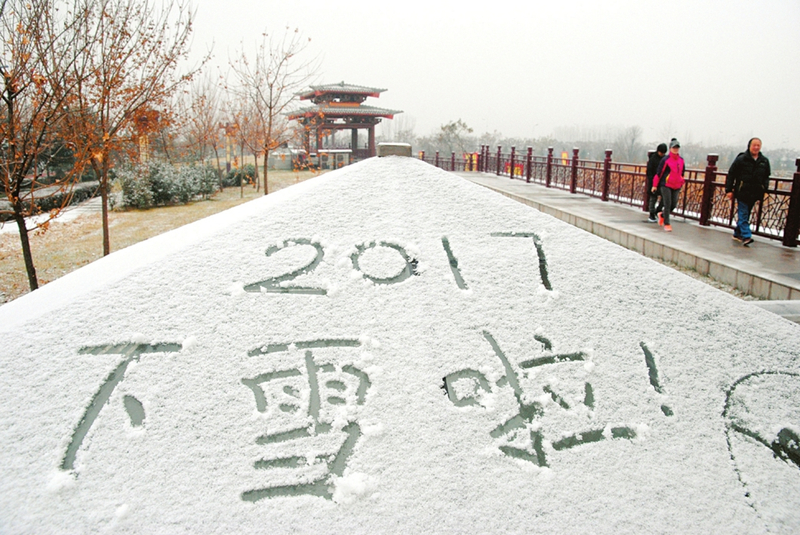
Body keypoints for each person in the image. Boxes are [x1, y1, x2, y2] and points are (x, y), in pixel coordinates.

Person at [725, 138, 771, 247]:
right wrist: (729, 190)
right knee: (744, 214)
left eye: (758, 145)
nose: (756, 147)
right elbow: (731, 174)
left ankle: (737, 233)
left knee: (745, 215)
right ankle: (746, 236)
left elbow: (766, 176)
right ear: (749, 146)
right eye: (754, 145)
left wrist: (765, 188)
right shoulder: (741, 159)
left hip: (755, 193)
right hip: (742, 192)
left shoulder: (764, 161)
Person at [651, 139, 685, 232]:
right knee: (667, 203)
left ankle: (662, 215)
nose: (675, 149)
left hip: (676, 185)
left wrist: (681, 181)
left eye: (677, 147)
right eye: (674, 147)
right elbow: (659, 173)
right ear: (670, 148)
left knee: (673, 204)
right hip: (665, 184)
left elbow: (682, 172)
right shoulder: (666, 160)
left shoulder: (681, 160)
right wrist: (654, 185)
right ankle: (667, 223)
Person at [646, 143, 668, 222]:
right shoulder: (653, 159)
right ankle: (651, 214)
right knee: (653, 198)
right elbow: (649, 171)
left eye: (663, 153)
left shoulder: (665, 159)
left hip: (663, 182)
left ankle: (658, 210)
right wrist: (652, 181)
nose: (662, 154)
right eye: (661, 152)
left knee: (664, 198)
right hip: (654, 181)